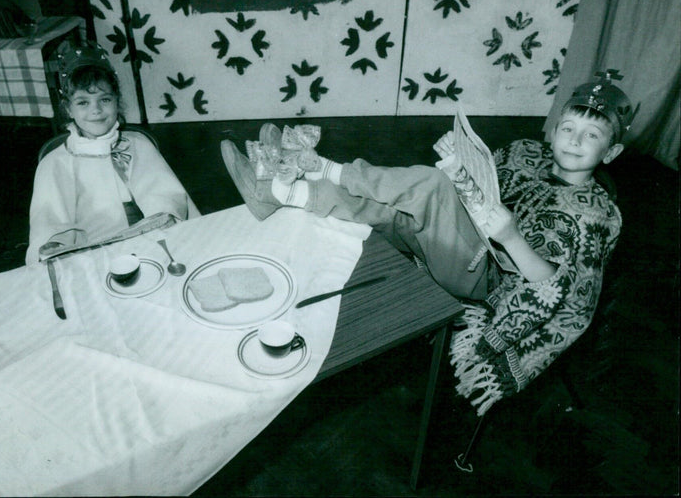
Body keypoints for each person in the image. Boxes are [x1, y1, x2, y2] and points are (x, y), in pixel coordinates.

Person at [220, 71, 634, 415]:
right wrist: (460, 165)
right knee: (394, 206)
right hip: (467, 245)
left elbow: (557, 289)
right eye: (568, 128)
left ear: (611, 151)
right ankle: (282, 193)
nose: (575, 141)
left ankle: (320, 168)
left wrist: (509, 236)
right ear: (554, 128)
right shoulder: (527, 152)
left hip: (490, 282)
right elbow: (481, 192)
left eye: (592, 135)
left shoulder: (594, 214)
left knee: (428, 187)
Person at [26, 40, 199, 265]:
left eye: (104, 99)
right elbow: (48, 221)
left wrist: (163, 217)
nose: (96, 110)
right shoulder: (54, 163)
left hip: (153, 243)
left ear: (117, 101)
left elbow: (166, 196)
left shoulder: (138, 144)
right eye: (83, 102)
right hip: (91, 258)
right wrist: (53, 245)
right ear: (68, 109)